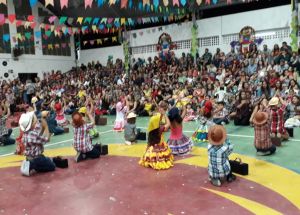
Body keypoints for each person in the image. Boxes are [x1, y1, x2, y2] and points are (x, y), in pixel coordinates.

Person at [139, 101, 173, 170]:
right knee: (161, 152)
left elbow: (158, 119)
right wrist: (164, 114)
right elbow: (168, 124)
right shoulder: (160, 128)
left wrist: (161, 114)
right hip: (159, 142)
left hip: (152, 142)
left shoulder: (152, 127)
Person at [19, 111, 55, 176]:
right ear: (32, 123)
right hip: (37, 158)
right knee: (52, 166)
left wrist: (42, 119)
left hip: (29, 157)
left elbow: (38, 135)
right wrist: (46, 126)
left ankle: (32, 165)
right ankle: (33, 165)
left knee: (47, 160)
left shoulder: (26, 133)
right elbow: (47, 139)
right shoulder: (33, 134)